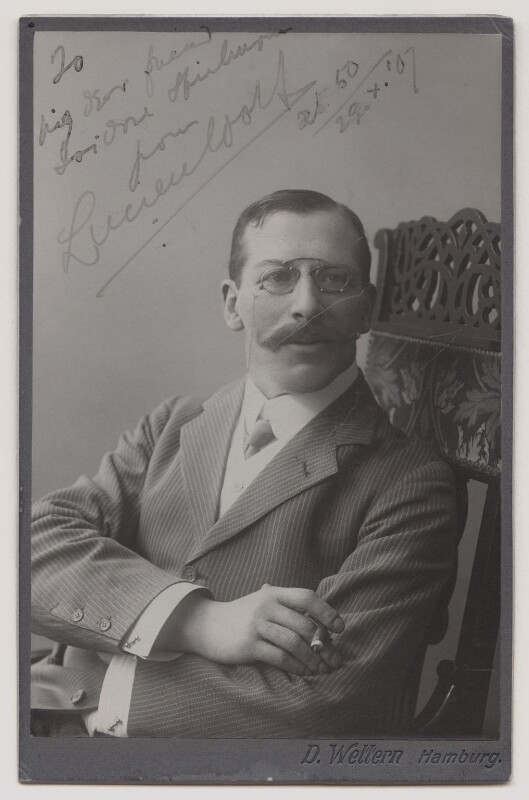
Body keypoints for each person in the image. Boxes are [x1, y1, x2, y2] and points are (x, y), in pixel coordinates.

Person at [31, 189, 457, 738]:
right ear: (233, 305)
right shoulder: (173, 423)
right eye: (277, 277)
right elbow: (30, 545)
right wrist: (198, 622)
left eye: (334, 279)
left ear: (365, 308)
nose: (306, 305)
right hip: (41, 711)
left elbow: (327, 699)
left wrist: (100, 689)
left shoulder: (411, 483)